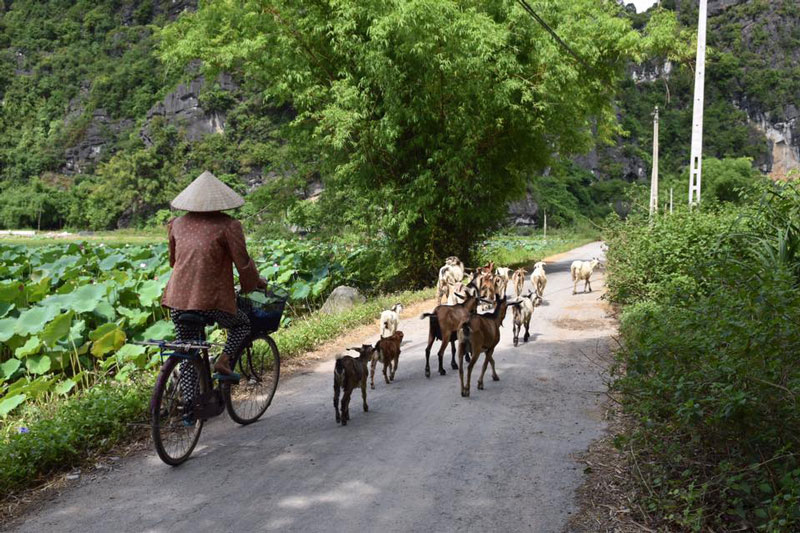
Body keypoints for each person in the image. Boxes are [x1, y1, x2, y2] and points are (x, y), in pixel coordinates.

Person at [161, 170, 267, 376]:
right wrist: (254, 283)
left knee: (187, 352)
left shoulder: (176, 224)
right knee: (243, 324)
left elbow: (173, 261)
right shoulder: (229, 225)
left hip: (178, 300)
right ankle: (224, 361)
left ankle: (189, 405)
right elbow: (242, 263)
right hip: (210, 302)